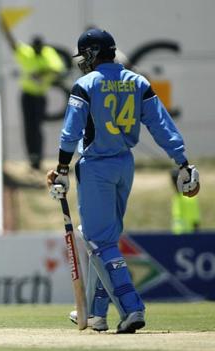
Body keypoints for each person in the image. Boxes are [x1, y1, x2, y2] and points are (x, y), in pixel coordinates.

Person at [46, 29, 199, 333]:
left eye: (84, 55)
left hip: (96, 167)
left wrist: (62, 167)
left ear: (91, 53)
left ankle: (131, 308)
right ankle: (96, 313)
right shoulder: (138, 82)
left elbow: (70, 132)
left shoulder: (86, 84)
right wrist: (182, 162)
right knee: (104, 239)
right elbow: (161, 125)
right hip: (124, 165)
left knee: (98, 240)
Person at [0, 19, 66, 170]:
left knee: (37, 128)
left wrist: (41, 73)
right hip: (27, 95)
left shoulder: (48, 53)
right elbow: (13, 44)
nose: (37, 50)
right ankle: (32, 157)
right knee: (29, 128)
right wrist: (4, 27)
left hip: (40, 96)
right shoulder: (27, 53)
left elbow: (58, 69)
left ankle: (38, 158)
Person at [170, 169, 201, 234]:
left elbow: (195, 221)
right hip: (178, 235)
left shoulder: (187, 197)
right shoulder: (178, 197)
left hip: (186, 235)